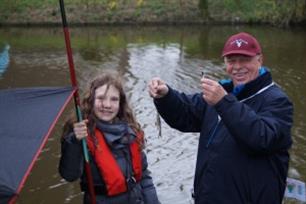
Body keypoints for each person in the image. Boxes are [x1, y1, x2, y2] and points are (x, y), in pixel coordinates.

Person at [148, 32, 293, 204]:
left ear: (259, 60)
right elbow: (186, 112)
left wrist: (224, 102)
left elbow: (262, 138)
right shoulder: (220, 94)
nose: (237, 66)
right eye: (231, 61)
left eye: (244, 59)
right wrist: (166, 95)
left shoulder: (277, 101)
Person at [59, 73, 160, 204]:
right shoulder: (81, 135)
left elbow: (144, 176)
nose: (107, 105)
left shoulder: (131, 131)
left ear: (120, 103)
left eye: (114, 99)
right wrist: (74, 142)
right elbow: (69, 175)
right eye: (101, 98)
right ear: (91, 101)